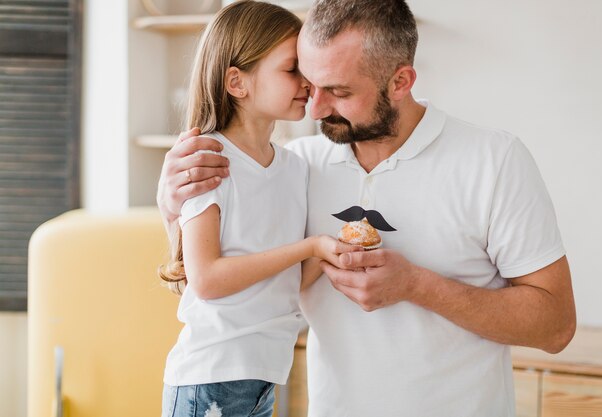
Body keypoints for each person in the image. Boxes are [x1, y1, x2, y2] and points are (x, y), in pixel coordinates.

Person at [157, 0, 577, 416]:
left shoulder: (494, 160)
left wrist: (415, 285)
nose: (315, 107)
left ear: (401, 81)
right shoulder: (297, 165)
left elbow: (556, 327)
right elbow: (221, 278)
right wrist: (171, 207)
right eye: (307, 79)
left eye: (338, 91)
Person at [157, 2, 360, 417]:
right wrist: (310, 246)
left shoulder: (294, 168)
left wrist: (333, 250)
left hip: (265, 375)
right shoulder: (206, 160)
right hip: (209, 378)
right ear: (237, 81)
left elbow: (287, 283)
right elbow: (208, 279)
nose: (308, 83)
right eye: (291, 69)